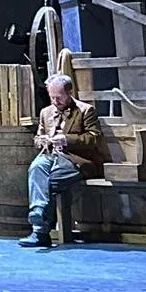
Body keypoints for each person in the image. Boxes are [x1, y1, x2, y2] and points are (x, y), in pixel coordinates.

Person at [18, 73, 102, 248]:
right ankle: (38, 212)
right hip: (50, 155)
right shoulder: (46, 112)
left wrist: (66, 139)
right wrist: (41, 141)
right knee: (36, 168)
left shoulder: (85, 110)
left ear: (69, 92)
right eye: (52, 97)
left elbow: (94, 138)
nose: (55, 101)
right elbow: (38, 137)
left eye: (59, 97)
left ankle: (40, 231)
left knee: (48, 182)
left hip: (76, 159)